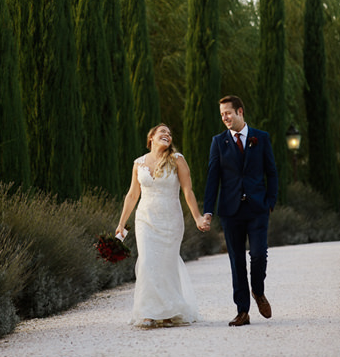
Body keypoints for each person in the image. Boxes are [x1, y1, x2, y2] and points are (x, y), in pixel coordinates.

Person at [116, 123, 204, 328]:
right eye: (162, 132)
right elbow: (132, 195)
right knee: (147, 262)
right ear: (151, 138)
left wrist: (198, 217)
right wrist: (121, 223)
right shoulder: (139, 163)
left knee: (166, 264)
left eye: (170, 133)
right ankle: (148, 312)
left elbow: (188, 192)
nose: (167, 135)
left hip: (171, 220)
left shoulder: (177, 160)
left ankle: (169, 311)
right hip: (145, 219)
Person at [203, 95, 278, 327]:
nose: (225, 117)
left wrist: (270, 202)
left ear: (240, 112)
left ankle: (258, 291)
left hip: (257, 209)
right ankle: (242, 311)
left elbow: (272, 172)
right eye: (222, 114)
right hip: (230, 210)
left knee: (258, 254)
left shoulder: (261, 138)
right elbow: (212, 179)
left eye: (228, 113)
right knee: (236, 261)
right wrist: (208, 211)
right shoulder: (218, 142)